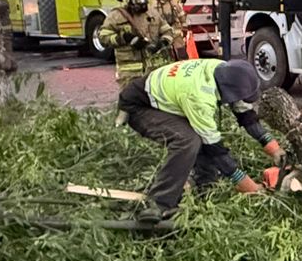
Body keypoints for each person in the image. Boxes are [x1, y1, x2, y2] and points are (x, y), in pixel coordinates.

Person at [117, 57, 283, 219]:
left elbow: (246, 114)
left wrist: (273, 147)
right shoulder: (200, 97)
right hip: (140, 106)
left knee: (200, 135)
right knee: (187, 140)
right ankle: (159, 202)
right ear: (228, 92)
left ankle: (205, 185)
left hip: (169, 96)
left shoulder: (224, 70)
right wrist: (245, 183)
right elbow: (214, 148)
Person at [99, 0, 179, 86]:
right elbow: (103, 37)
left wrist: (162, 43)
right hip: (130, 74)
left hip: (154, 72)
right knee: (131, 96)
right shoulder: (116, 16)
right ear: (127, 0)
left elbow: (168, 31)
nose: (142, 2)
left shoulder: (153, 13)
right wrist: (123, 38)